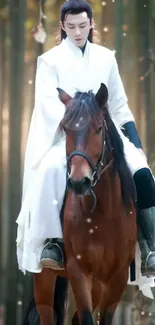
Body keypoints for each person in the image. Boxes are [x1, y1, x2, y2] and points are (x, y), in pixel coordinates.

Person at [16, 0, 155, 277]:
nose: (77, 32)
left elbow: (118, 104)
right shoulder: (49, 61)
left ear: (91, 24)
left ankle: (149, 246)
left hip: (106, 134)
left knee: (142, 172)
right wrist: (77, 123)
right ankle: (53, 242)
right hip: (68, 136)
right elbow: (47, 104)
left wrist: (135, 143)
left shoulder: (106, 57)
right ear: (62, 27)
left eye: (82, 25)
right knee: (49, 172)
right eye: (71, 27)